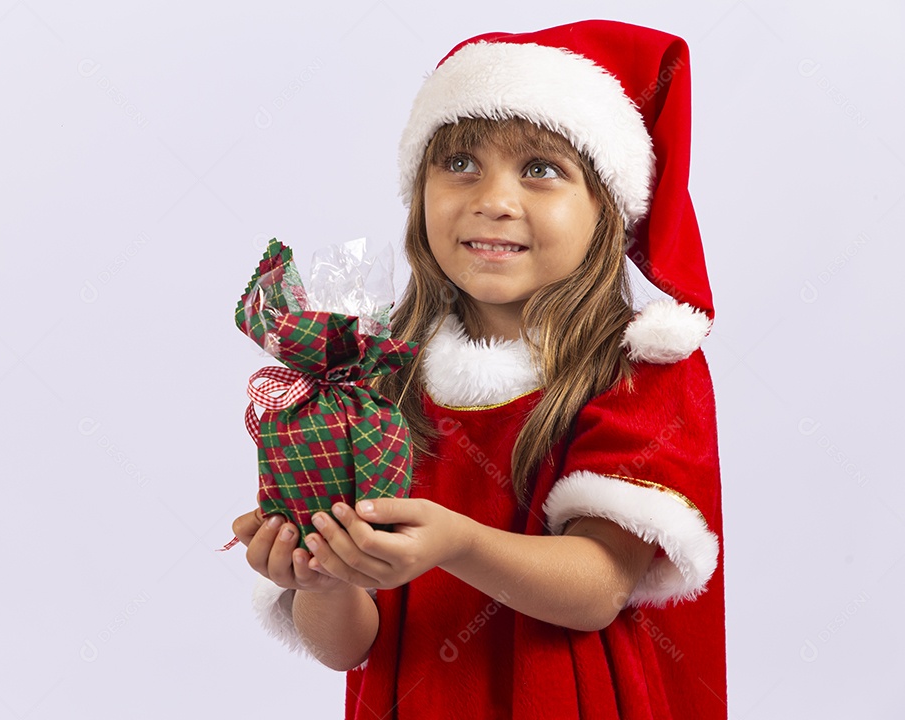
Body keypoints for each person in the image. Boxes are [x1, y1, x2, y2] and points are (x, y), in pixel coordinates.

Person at [232, 19, 726, 720]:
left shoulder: (639, 373)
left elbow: (598, 589)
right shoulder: (370, 378)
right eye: (460, 161)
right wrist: (324, 577)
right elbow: (348, 647)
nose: (493, 200)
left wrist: (456, 543)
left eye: (541, 169)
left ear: (608, 210)